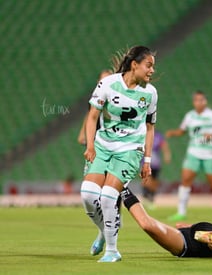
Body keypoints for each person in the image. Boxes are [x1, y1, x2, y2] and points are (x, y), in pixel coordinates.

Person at [80, 45, 158, 263]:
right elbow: (93, 115)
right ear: (135, 65)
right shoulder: (108, 84)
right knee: (87, 194)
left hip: (130, 150)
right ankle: (104, 231)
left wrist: (147, 160)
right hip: (103, 146)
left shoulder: (150, 93)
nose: (152, 70)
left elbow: (150, 127)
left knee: (107, 197)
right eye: (148, 65)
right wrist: (91, 146)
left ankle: (112, 251)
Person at [165, 91, 212, 221]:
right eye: (197, 100)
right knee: (185, 180)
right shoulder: (190, 116)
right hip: (193, 152)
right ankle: (181, 212)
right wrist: (173, 133)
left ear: (205, 101)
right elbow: (182, 130)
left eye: (202, 100)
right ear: (194, 102)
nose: (200, 102)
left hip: (211, 154)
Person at [77, 70, 112, 146]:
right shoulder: (95, 98)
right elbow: (90, 114)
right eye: (103, 80)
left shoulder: (116, 99)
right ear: (98, 82)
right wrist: (83, 132)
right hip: (97, 138)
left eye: (108, 80)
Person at [141, 130, 171, 207]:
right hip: (145, 162)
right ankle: (145, 196)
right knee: (147, 180)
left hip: (156, 163)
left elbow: (164, 145)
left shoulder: (158, 136)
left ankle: (151, 198)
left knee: (154, 182)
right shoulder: (143, 134)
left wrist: (167, 155)